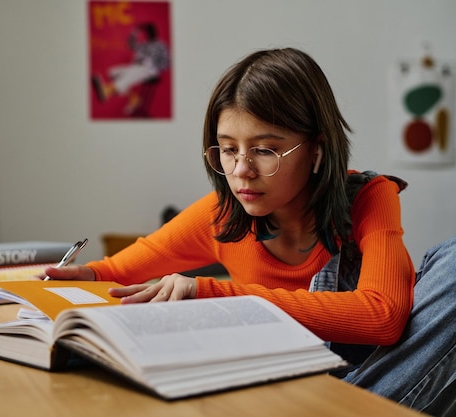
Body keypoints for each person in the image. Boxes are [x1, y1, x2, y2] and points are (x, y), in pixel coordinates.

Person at [47, 48, 456, 416]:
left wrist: (215, 294)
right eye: (227, 149)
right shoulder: (223, 214)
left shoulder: (371, 197)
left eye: (265, 150)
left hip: (371, 382)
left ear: (317, 150)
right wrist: (80, 275)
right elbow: (112, 272)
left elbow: (381, 319)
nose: (241, 171)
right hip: (280, 394)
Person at [92, 22, 170, 115]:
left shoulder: (160, 45)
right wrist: (136, 31)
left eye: (149, 32)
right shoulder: (144, 45)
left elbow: (168, 63)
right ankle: (134, 98)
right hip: (136, 66)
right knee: (112, 72)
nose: (147, 34)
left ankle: (106, 91)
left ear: (154, 33)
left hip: (149, 69)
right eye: (145, 32)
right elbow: (130, 44)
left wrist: (155, 65)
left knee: (129, 76)